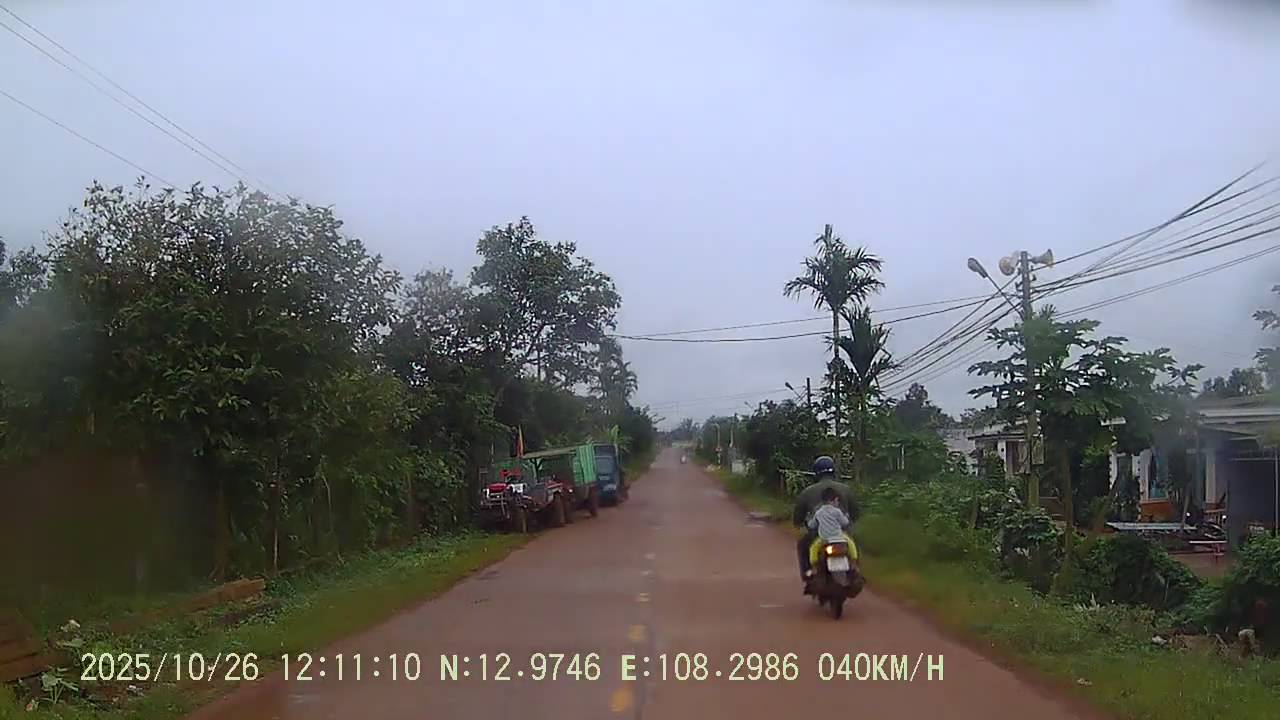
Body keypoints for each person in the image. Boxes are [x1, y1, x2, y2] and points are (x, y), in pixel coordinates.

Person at [792, 455, 860, 584]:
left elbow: (798, 517)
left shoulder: (807, 492)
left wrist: (801, 523)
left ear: (816, 473)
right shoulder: (846, 489)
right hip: (842, 534)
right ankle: (855, 569)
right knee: (854, 542)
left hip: (818, 535)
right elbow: (855, 514)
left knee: (803, 544)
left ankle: (809, 573)